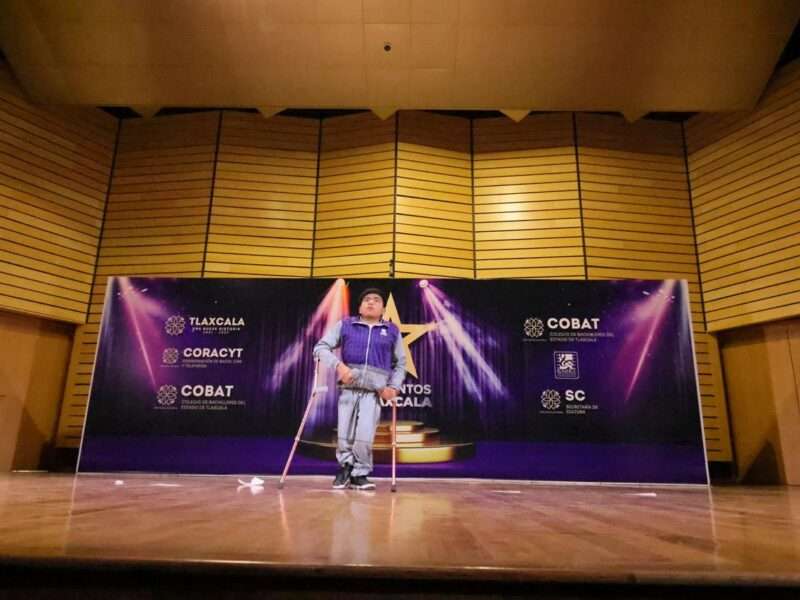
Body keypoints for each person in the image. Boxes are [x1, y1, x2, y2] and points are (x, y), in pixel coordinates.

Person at [313, 288, 406, 490]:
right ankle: (345, 467)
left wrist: (393, 387)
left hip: (373, 393)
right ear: (360, 307)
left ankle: (360, 473)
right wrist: (339, 366)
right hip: (349, 389)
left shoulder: (392, 331)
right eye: (366, 300)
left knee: (365, 434)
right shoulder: (346, 325)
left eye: (376, 300)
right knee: (344, 433)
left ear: (383, 309)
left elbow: (400, 363)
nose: (371, 302)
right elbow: (320, 348)